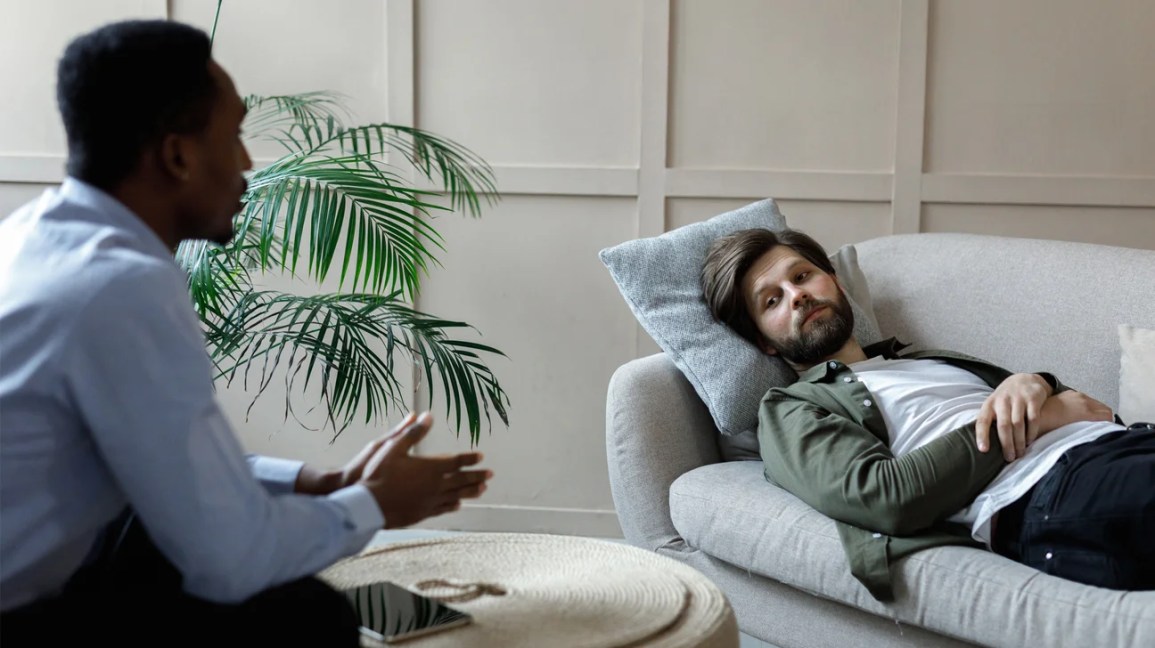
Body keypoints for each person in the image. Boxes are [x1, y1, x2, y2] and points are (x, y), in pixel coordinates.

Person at [0, 19, 493, 645]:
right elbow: (229, 562)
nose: (248, 162)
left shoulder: (33, 236)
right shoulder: (119, 288)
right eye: (233, 135)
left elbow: (164, 461)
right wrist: (376, 505)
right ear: (177, 155)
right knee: (300, 618)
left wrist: (319, 483)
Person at [700, 227, 1154, 601]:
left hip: (1119, 446)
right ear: (764, 341)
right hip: (1045, 492)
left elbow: (1090, 410)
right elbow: (884, 498)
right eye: (772, 301)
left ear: (835, 283)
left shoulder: (928, 360)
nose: (796, 295)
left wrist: (1035, 382)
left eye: (801, 276)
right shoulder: (790, 409)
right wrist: (1041, 417)